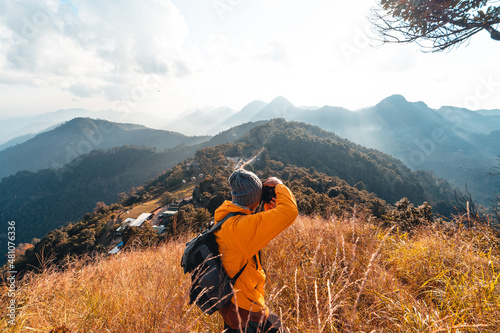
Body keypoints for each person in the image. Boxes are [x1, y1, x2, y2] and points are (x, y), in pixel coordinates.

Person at [214, 169, 298, 333]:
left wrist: (267, 214)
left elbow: (245, 244)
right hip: (246, 307)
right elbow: (290, 212)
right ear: (255, 198)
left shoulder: (226, 218)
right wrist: (279, 185)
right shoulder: (241, 228)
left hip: (230, 302)